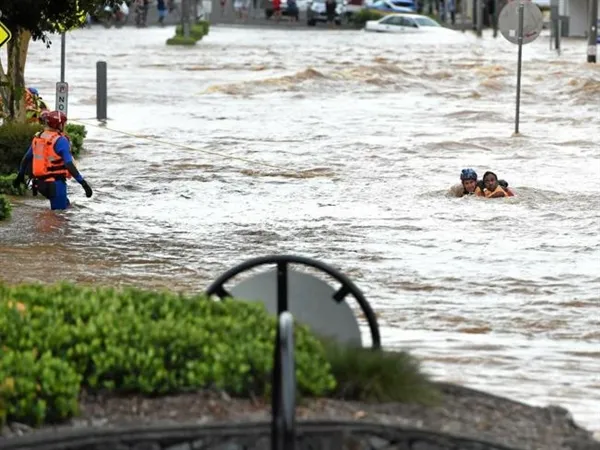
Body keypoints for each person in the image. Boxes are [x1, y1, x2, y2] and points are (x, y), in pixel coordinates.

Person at [12, 111, 93, 210]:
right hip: (55, 185)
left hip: (40, 184)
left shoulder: (39, 137)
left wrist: (20, 176)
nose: (65, 125)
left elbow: (26, 159)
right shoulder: (61, 140)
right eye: (64, 123)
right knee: (59, 218)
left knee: (66, 207)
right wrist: (84, 184)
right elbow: (69, 164)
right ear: (59, 125)